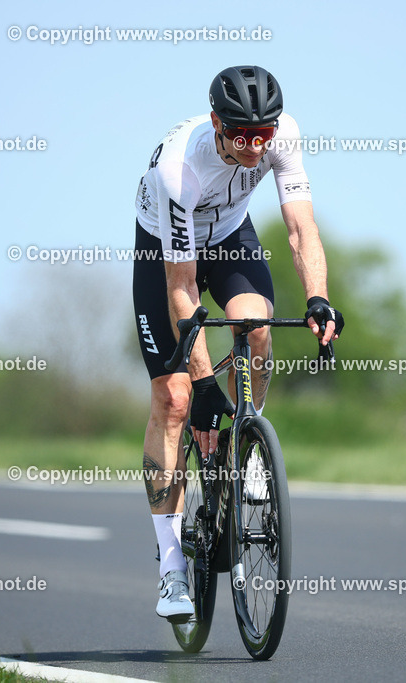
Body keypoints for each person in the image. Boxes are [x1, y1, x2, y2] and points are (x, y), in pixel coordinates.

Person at [131, 65, 343, 622]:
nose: (255, 147)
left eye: (263, 136)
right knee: (175, 400)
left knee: (256, 326)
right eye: (243, 136)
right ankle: (172, 562)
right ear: (217, 125)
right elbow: (182, 290)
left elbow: (301, 229)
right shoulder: (179, 168)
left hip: (228, 236)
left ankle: (248, 441)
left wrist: (318, 297)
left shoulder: (282, 135)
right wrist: (202, 383)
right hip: (165, 252)